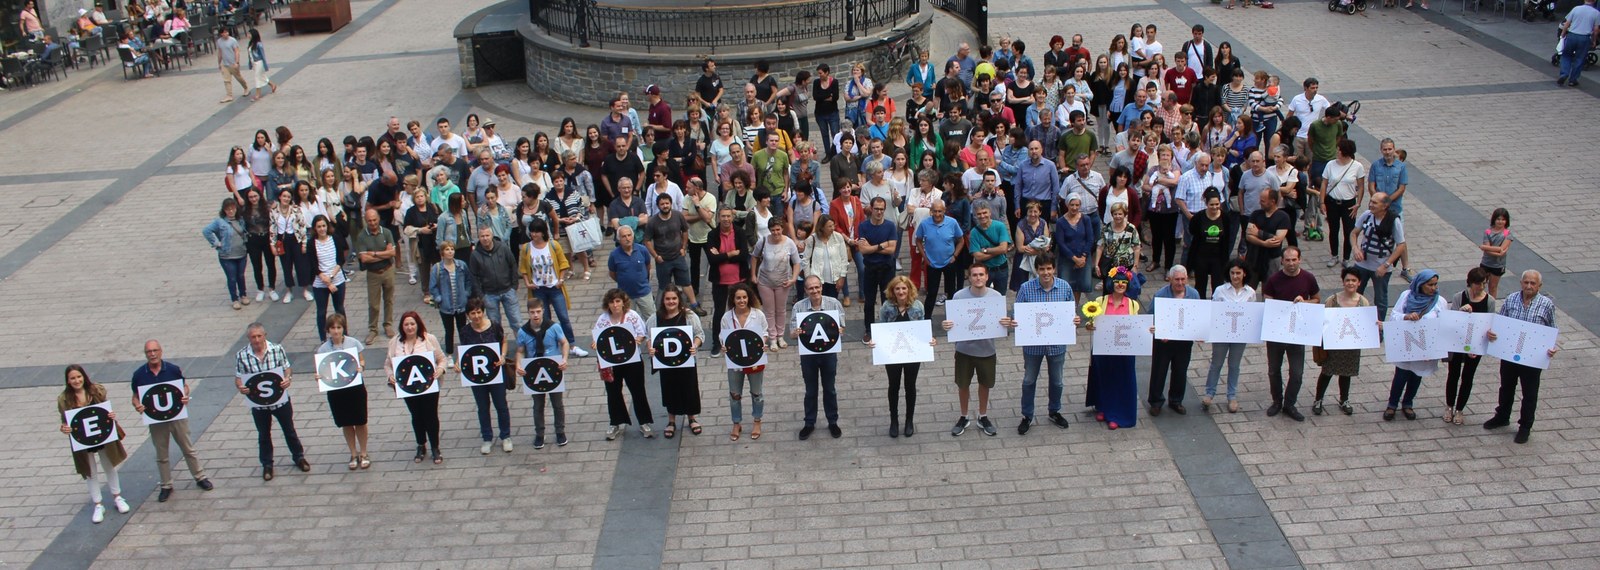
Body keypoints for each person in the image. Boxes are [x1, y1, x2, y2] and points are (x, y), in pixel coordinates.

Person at [1001, 255, 1080, 434]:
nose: (1046, 272)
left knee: (1057, 381)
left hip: (1057, 345)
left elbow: (1070, 313)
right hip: (1032, 346)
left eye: (1049, 268)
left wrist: (1074, 320)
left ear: (1054, 269)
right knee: (1029, 380)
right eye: (1042, 269)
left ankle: (1054, 411)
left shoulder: (1065, 287)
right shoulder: (1026, 289)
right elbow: (1018, 313)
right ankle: (1027, 415)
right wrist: (1014, 322)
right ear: (1037, 270)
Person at [130, 341, 213, 502]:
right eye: (149, 352)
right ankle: (166, 485)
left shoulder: (173, 370)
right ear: (145, 354)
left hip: (177, 417)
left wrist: (184, 395)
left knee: (188, 448)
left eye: (155, 350)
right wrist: (137, 405)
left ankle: (200, 477)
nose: (152, 354)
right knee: (161, 454)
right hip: (156, 420)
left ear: (161, 352)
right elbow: (135, 396)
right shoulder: (139, 374)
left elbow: (184, 386)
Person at [1484, 270, 1561, 444]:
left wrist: (1551, 348)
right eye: (1526, 282)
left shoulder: (1546, 304)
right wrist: (1492, 333)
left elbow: (1552, 329)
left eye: (1533, 283)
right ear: (1521, 283)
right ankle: (1502, 416)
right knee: (1506, 387)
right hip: (1510, 354)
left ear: (1539, 286)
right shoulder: (1511, 299)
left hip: (1532, 358)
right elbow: (1500, 322)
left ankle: (1525, 426)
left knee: (1530, 393)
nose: (1529, 286)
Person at [234, 322, 307, 482]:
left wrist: (288, 378)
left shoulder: (277, 349)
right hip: (259, 404)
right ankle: (267, 464)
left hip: (280, 401)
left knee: (289, 430)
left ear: (265, 335)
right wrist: (241, 387)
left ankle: (299, 457)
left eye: (259, 336)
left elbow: (287, 368)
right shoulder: (241, 355)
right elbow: (239, 377)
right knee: (263, 435)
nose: (257, 340)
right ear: (249, 338)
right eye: (253, 337)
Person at [59, 365, 129, 523]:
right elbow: (64, 421)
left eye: (79, 377)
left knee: (109, 465)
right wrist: (64, 428)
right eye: (72, 378)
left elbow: (105, 408)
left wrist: (110, 415)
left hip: (102, 435)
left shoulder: (96, 390)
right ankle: (98, 504)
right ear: (68, 381)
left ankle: (117, 497)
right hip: (82, 440)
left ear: (84, 377)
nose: (77, 380)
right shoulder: (64, 399)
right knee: (90, 471)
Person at [866, 276, 934, 438]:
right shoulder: (886, 307)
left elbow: (922, 328)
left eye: (904, 288)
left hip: (912, 354)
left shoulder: (918, 307)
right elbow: (881, 328)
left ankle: (909, 420)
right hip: (892, 354)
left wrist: (929, 339)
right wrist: (875, 342)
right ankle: (894, 420)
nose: (901, 291)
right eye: (897, 289)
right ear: (892, 291)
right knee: (893, 386)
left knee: (910, 386)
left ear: (909, 289)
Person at [940, 265, 1003, 436]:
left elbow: (1001, 322)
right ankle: (964, 415)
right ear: (969, 277)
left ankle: (983, 415)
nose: (978, 278)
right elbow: (951, 322)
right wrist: (946, 325)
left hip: (987, 350)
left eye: (981, 274)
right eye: (974, 275)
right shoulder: (959, 296)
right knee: (963, 384)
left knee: (985, 384)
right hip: (964, 350)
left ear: (987, 276)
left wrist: (1006, 323)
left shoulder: (996, 297)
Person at [1261, 247, 1320, 421]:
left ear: (1300, 260)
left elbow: (1317, 299)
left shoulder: (1308, 278)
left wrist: (1305, 302)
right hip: (1277, 332)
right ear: (1282, 261)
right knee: (1273, 370)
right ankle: (1277, 401)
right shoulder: (1274, 279)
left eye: (1294, 260)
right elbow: (1267, 300)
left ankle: (1289, 404)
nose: (1291, 263)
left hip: (1297, 332)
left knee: (1297, 372)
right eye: (1287, 260)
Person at [592, 289, 655, 440]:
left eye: (618, 301)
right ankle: (615, 423)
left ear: (623, 302)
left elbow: (642, 333)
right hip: (611, 363)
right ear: (607, 304)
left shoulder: (632, 316)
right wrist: (595, 344)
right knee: (613, 392)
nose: (615, 305)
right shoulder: (603, 319)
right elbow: (598, 337)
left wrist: (637, 340)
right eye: (612, 302)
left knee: (638, 391)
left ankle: (644, 422)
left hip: (632, 361)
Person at [1384, 271, 1446, 422]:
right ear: (1420, 284)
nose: (1433, 288)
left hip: (1424, 347)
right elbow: (1394, 316)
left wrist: (1434, 350)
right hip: (1406, 343)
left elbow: (1443, 325)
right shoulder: (1406, 296)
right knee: (1401, 374)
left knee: (1416, 375)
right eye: (1430, 284)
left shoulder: (1440, 302)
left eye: (1435, 284)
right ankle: (1392, 404)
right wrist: (1406, 317)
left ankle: (1408, 403)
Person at [1084, 267, 1141, 430]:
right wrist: (1090, 326)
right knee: (1104, 379)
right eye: (1117, 282)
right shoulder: (1101, 302)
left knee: (1120, 381)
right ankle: (1103, 407)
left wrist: (1147, 330)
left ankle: (1117, 414)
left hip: (1124, 350)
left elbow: (1136, 326)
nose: (1120, 285)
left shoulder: (1132, 304)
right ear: (1111, 283)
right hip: (1104, 348)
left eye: (1124, 282)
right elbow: (1092, 322)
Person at [387, 311, 446, 464]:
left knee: (431, 415)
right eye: (406, 324)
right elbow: (388, 364)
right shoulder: (395, 342)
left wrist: (440, 369)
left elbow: (441, 359)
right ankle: (421, 444)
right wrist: (390, 376)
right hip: (408, 388)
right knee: (416, 416)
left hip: (429, 386)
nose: (409, 327)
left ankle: (435, 447)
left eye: (412, 324)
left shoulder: (429, 339)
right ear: (402, 326)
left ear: (418, 324)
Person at [1312, 268, 1371, 416]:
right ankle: (1318, 400)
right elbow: (1323, 322)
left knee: (1346, 373)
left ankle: (1344, 400)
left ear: (1359, 283)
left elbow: (1366, 324)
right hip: (1333, 345)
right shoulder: (1332, 300)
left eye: (1353, 280)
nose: (1350, 283)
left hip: (1351, 346)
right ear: (1343, 282)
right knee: (1326, 372)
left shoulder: (1363, 302)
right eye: (1347, 280)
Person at [459, 297, 515, 454]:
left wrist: (503, 356)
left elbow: (504, 341)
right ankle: (487, 437)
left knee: (501, 405)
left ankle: (506, 436)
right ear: (468, 315)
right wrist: (459, 363)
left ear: (483, 312)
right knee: (482, 407)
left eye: (478, 312)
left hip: (496, 373)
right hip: (477, 377)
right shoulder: (465, 331)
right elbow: (465, 352)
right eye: (472, 313)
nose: (476, 316)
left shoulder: (494, 326)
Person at [792, 276, 845, 439]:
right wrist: (795, 333)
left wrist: (840, 329)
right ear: (805, 290)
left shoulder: (833, 303)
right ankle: (809, 423)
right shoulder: (799, 307)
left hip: (829, 353)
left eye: (817, 287)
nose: (814, 291)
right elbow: (792, 333)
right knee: (810, 390)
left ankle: (832, 421)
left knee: (830, 388)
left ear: (821, 287)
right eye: (810, 288)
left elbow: (841, 325)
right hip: (808, 354)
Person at [647, 286, 704, 439]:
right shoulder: (655, 318)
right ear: (663, 301)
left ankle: (692, 418)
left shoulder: (689, 316)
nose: (671, 301)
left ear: (679, 300)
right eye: (668, 299)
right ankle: (671, 421)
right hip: (665, 362)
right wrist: (650, 349)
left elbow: (699, 334)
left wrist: (695, 345)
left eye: (674, 298)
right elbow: (649, 338)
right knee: (669, 389)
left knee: (690, 388)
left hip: (686, 361)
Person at [514, 298, 570, 448]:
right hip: (534, 370)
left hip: (552, 369)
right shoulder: (523, 331)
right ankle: (539, 433)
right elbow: (520, 350)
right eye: (532, 312)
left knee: (557, 403)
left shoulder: (553, 327)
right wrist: (518, 365)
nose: (535, 315)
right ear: (528, 313)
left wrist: (564, 358)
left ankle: (560, 431)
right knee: (538, 404)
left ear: (543, 311)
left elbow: (564, 342)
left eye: (538, 312)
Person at [315, 314, 369, 470]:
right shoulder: (323, 348)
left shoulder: (353, 343)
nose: (336, 331)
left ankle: (364, 452)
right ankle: (353, 453)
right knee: (345, 422)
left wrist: (361, 367)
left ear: (343, 328)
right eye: (333, 328)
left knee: (360, 420)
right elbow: (322, 370)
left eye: (339, 327)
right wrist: (318, 376)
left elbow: (362, 359)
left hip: (355, 388)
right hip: (336, 391)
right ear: (328, 330)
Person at [518, 218, 579, 356]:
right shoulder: (527, 248)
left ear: (543, 232)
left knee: (563, 317)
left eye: (537, 231)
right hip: (538, 288)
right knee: (544, 319)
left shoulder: (553, 245)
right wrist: (527, 282)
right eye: (532, 231)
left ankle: (572, 344)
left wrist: (561, 279)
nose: (534, 234)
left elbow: (563, 263)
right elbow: (523, 268)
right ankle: (549, 346)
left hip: (554, 287)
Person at [1443, 268, 1495, 426]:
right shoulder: (1460, 296)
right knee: (1453, 374)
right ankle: (1449, 406)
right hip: (1457, 342)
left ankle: (1460, 409)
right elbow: (1452, 321)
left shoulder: (1489, 301)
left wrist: (1477, 346)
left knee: (1468, 377)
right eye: (1478, 284)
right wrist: (1461, 312)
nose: (1481, 287)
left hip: (1475, 345)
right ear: (1470, 283)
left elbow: (1489, 325)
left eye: (1484, 284)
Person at [1147, 266, 1200, 416]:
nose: (1180, 282)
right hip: (1164, 342)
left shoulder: (1194, 294)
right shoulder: (1160, 294)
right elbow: (1151, 316)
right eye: (1177, 279)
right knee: (1159, 371)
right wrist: (1158, 331)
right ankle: (1156, 402)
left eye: (1183, 279)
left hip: (1184, 342)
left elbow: (1197, 316)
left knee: (1180, 371)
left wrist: (1200, 332)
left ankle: (1176, 401)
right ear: (1170, 279)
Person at [717, 282, 767, 441]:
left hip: (755, 360)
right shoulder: (727, 317)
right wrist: (723, 346)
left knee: (757, 393)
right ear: (733, 299)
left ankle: (757, 421)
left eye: (744, 297)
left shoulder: (758, 314)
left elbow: (765, 332)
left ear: (749, 298)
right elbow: (722, 336)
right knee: (734, 394)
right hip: (735, 361)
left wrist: (763, 343)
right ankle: (736, 422)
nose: (741, 300)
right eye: (738, 298)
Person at [1203, 259, 1254, 413]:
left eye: (1238, 273)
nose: (1235, 276)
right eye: (1232, 273)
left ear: (1244, 273)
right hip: (1222, 334)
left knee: (1234, 365)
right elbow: (1214, 311)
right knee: (1216, 363)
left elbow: (1252, 315)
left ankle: (1232, 396)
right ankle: (1209, 393)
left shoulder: (1250, 293)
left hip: (1240, 335)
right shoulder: (1220, 290)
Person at [1350, 192, 1405, 320]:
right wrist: (1355, 248)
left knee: (1380, 299)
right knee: (1355, 294)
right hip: (1361, 264)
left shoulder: (1393, 220)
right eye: (1371, 201)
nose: (1371, 204)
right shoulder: (1367, 215)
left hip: (1381, 267)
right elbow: (1354, 233)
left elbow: (1401, 245)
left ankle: (1379, 327)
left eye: (1375, 202)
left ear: (1385, 205)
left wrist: (1386, 265)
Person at [856, 197, 899, 342]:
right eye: (876, 209)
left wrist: (872, 247)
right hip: (870, 268)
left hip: (887, 268)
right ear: (871, 209)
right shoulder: (863, 226)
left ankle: (888, 327)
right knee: (869, 302)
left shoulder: (890, 226)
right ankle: (869, 329)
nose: (879, 212)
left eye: (882, 209)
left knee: (888, 300)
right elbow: (863, 250)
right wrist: (882, 245)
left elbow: (892, 250)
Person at [353, 210, 396, 345]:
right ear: (366, 220)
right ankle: (373, 329)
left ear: (378, 219)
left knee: (389, 299)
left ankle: (388, 324)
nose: (372, 223)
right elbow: (364, 258)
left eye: (374, 220)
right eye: (369, 220)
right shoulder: (362, 236)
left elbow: (392, 253)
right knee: (373, 304)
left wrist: (375, 254)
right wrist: (384, 253)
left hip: (388, 270)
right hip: (373, 274)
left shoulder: (387, 232)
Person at [429, 241, 473, 370]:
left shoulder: (461, 265)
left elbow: (468, 280)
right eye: (447, 249)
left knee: (463, 329)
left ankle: (464, 353)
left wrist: (466, 293)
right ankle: (449, 354)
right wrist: (439, 298)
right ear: (442, 252)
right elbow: (432, 286)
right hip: (446, 306)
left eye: (452, 249)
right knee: (449, 331)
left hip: (461, 304)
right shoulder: (437, 268)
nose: (450, 251)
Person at [468, 226, 522, 330]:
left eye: (487, 235)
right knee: (494, 325)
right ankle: (499, 345)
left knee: (517, 322)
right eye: (482, 236)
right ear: (478, 237)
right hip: (489, 294)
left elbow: (513, 265)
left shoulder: (503, 248)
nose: (485, 238)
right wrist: (481, 295)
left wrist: (514, 286)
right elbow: (473, 276)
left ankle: (522, 346)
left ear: (492, 235)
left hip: (508, 290)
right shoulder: (475, 255)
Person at [916, 199, 965, 312]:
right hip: (932, 264)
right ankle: (927, 319)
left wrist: (955, 256)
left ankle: (953, 316)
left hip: (949, 262)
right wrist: (925, 257)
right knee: (931, 293)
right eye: (934, 211)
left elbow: (961, 240)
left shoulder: (952, 223)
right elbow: (918, 240)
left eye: (940, 211)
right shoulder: (924, 224)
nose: (937, 214)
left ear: (944, 211)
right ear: (931, 211)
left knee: (951, 292)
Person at [203, 198, 250, 310]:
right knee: (232, 278)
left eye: (232, 208)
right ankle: (234, 299)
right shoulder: (220, 222)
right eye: (228, 209)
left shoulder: (240, 220)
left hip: (241, 253)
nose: (230, 211)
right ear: (224, 210)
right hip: (227, 255)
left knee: (241, 276)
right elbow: (206, 231)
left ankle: (243, 295)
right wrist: (216, 243)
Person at [1244, 188, 1292, 288]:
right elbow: (1248, 235)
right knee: (1248, 288)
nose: (1260, 203)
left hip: (1272, 258)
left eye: (1263, 201)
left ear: (1272, 201)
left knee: (1269, 288)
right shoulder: (1256, 214)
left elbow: (1277, 240)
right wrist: (1264, 243)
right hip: (1254, 257)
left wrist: (1258, 232)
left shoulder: (1283, 217)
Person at [608, 225, 655, 320]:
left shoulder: (642, 250)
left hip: (644, 292)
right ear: (619, 239)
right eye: (624, 236)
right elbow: (612, 273)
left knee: (652, 318)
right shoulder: (614, 255)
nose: (627, 238)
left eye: (629, 235)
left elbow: (648, 266)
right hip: (625, 295)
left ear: (633, 236)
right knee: (628, 320)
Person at [968, 202, 1013, 294]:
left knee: (1000, 297)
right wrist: (998, 251)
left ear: (990, 213)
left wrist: (985, 250)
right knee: (981, 295)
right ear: (976, 215)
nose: (982, 216)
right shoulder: (974, 232)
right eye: (979, 214)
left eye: (984, 213)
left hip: (1001, 268)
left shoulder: (1000, 226)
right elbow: (978, 257)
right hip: (984, 270)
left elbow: (1003, 249)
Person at [1557, 0, 1600, 87]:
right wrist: (1594, 40)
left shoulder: (1576, 9)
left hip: (1572, 35)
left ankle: (1564, 74)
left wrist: (1563, 34)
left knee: (1566, 55)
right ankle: (1573, 80)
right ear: (1594, 1)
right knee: (1580, 58)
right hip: (1585, 38)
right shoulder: (1596, 13)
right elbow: (1596, 30)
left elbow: (1567, 23)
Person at [1479, 208, 1511, 298]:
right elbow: (1497, 251)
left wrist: (1484, 247)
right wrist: (1499, 252)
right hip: (1485, 263)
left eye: (1503, 219)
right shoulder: (1488, 232)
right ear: (1494, 219)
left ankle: (1491, 306)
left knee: (1493, 287)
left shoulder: (1507, 234)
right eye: (1498, 219)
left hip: (1498, 265)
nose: (1500, 222)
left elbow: (1501, 249)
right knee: (1480, 285)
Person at [215, 27, 250, 103]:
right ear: (221, 34)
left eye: (227, 32)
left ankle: (246, 88)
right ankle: (229, 95)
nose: (226, 34)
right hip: (225, 64)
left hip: (233, 63)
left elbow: (237, 51)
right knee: (226, 80)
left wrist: (237, 62)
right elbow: (220, 52)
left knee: (238, 77)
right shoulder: (219, 42)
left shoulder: (232, 40)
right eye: (224, 32)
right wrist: (219, 63)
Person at [244, 29, 277, 101]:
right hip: (254, 63)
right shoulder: (250, 43)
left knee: (257, 77)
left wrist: (265, 65)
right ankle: (272, 85)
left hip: (259, 62)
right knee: (262, 77)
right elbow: (250, 55)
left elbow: (263, 55)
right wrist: (250, 64)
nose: (248, 35)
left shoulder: (258, 44)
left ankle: (257, 94)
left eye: (249, 34)